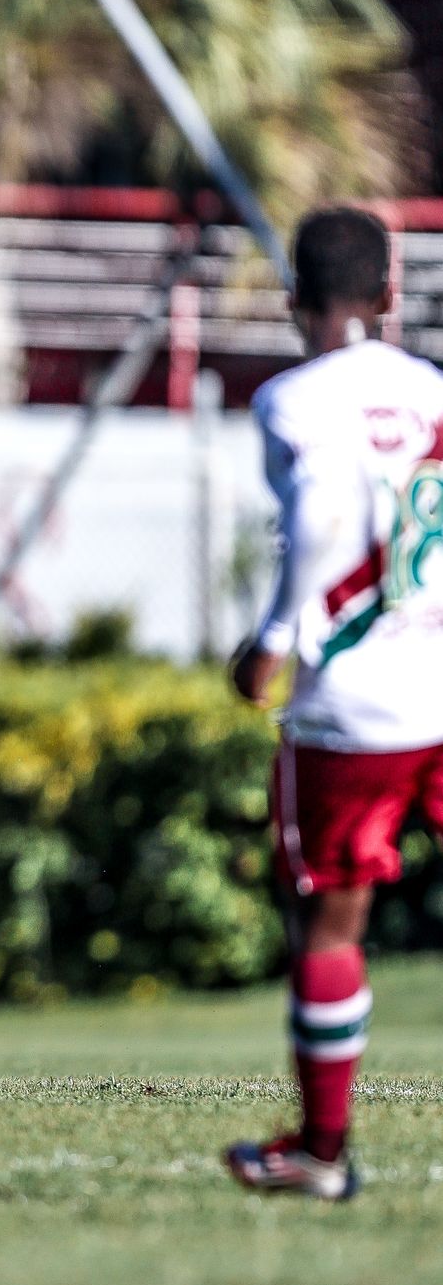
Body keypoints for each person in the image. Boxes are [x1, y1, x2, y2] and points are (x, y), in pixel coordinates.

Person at [226, 206, 443, 1200]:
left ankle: (319, 1151)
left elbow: (317, 513)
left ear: (294, 303)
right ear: (389, 294)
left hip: (352, 707)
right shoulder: (431, 390)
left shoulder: (290, 400)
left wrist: (273, 636)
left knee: (331, 923)